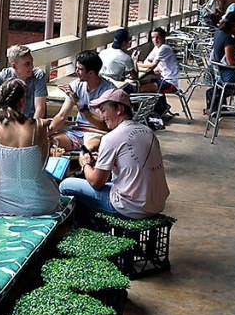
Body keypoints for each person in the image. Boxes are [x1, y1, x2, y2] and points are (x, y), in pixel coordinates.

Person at [59, 90, 169, 219]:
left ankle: (90, 228)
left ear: (119, 109)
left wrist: (85, 164)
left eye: (103, 110)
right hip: (156, 203)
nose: (101, 116)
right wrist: (102, 159)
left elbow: (96, 182)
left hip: (130, 207)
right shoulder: (148, 132)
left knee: (66, 185)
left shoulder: (111, 138)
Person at [0, 78, 60, 217]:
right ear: (22, 101)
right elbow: (42, 164)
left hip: (4, 205)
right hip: (42, 204)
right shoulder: (40, 126)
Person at [49, 50, 116, 152]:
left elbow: (103, 125)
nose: (76, 71)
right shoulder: (76, 85)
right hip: (77, 131)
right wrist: (47, 132)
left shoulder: (108, 91)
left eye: (79, 69)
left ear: (91, 73)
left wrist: (79, 103)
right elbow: (62, 115)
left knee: (89, 149)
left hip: (98, 133)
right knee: (50, 143)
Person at [0, 45, 48, 119]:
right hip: (11, 123)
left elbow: (40, 108)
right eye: (27, 64)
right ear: (14, 66)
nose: (32, 67)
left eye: (31, 62)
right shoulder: (6, 74)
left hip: (31, 121)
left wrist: (32, 128)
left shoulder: (38, 76)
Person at [136, 27, 181, 93]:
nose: (155, 40)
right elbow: (147, 61)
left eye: (158, 37)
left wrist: (137, 64)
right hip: (161, 78)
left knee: (139, 89)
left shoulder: (164, 48)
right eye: (153, 37)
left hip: (169, 83)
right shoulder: (157, 47)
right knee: (138, 83)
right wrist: (155, 68)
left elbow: (151, 65)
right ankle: (159, 102)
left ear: (163, 38)